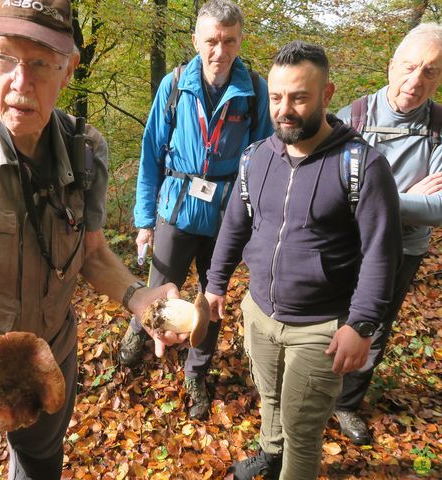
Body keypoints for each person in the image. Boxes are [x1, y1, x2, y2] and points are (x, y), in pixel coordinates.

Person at [0, 1, 181, 479]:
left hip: (52, 354)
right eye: (6, 57)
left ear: (68, 69)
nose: (21, 83)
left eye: (42, 63)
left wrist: (140, 297)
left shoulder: (86, 150)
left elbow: (90, 252)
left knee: (41, 465)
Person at [205, 41, 402, 480]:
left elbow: (380, 253)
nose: (285, 109)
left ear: (327, 94)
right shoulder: (256, 157)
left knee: (303, 426)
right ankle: (270, 454)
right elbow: (236, 225)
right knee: (270, 399)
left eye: (299, 97)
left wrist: (363, 324)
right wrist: (216, 282)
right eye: (276, 97)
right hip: (259, 312)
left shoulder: (362, 167)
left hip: (321, 326)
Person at [119, 0, 272, 420]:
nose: (219, 50)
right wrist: (144, 221)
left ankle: (196, 372)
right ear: (196, 41)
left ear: (240, 41)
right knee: (157, 287)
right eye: (211, 40)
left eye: (228, 40)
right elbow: (151, 154)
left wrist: (257, 224)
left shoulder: (255, 92)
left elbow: (263, 163)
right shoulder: (174, 86)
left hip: (225, 218)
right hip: (177, 207)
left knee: (212, 301)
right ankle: (138, 332)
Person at [334, 22, 442, 445]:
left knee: (372, 328)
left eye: (430, 71)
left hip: (403, 249)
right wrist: (403, 196)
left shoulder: (439, 128)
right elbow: (332, 192)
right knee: (327, 319)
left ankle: (346, 404)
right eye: (410, 67)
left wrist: (373, 197)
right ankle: (313, 394)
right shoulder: (351, 118)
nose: (416, 81)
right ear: (390, 66)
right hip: (347, 244)